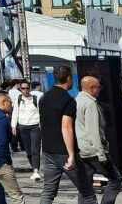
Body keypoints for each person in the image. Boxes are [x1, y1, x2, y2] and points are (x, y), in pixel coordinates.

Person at [38, 65, 90, 204]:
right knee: (87, 192)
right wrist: (71, 155)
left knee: (48, 191)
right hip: (64, 151)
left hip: (48, 150)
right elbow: (66, 127)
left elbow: (43, 123)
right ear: (68, 78)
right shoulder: (68, 100)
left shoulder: (44, 98)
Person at [76, 76, 121, 204]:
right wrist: (101, 154)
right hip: (93, 150)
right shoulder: (90, 104)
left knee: (85, 185)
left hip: (81, 149)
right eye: (98, 87)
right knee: (115, 179)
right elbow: (93, 131)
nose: (100, 90)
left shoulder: (76, 101)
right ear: (92, 88)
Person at [11, 80, 43, 180]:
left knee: (35, 149)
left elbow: (41, 112)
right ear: (20, 89)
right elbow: (15, 112)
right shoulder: (18, 99)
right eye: (23, 88)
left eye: (27, 88)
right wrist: (13, 126)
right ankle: (34, 167)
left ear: (30, 88)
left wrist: (41, 125)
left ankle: (36, 171)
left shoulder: (36, 98)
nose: (25, 90)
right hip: (23, 127)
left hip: (35, 126)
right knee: (28, 150)